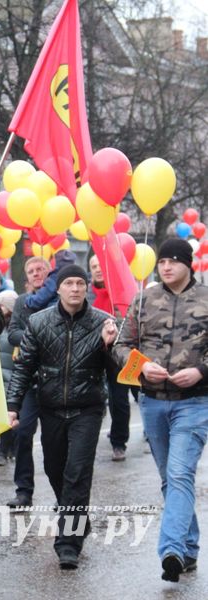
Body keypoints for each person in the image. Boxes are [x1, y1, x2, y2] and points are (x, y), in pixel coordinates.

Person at [7, 264, 118, 570]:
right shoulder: (39, 322)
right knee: (54, 468)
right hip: (51, 406)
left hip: (88, 408)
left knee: (77, 472)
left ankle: (68, 543)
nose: (74, 289)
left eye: (80, 283)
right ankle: (77, 518)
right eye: (68, 283)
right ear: (58, 288)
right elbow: (24, 367)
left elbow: (119, 371)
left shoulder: (103, 323)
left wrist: (111, 345)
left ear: (86, 288)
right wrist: (13, 404)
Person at [113, 239, 208, 583]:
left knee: (181, 474)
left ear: (188, 264)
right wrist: (140, 367)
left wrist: (201, 370)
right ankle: (190, 547)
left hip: (195, 403)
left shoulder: (206, 299)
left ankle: (171, 551)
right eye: (162, 261)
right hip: (152, 401)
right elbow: (122, 346)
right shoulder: (144, 300)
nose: (166, 267)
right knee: (171, 479)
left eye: (173, 261)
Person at [4, 256, 51, 508]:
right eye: (31, 271)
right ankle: (23, 490)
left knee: (55, 441)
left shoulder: (59, 298)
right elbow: (12, 334)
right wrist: (38, 335)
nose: (36, 274)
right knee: (22, 432)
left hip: (55, 381)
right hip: (29, 378)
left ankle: (64, 492)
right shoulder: (22, 303)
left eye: (40, 269)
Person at [89, 254, 134, 461]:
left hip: (117, 352)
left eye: (101, 265)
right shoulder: (85, 293)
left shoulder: (121, 292)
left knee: (119, 400)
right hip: (92, 353)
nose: (98, 269)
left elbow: (132, 321)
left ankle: (119, 442)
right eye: (93, 266)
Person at [0, 290, 19, 467]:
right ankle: (4, 450)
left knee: (11, 417)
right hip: (0, 379)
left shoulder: (14, 329)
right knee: (4, 417)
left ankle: (7, 450)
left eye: (2, 304)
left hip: (13, 378)